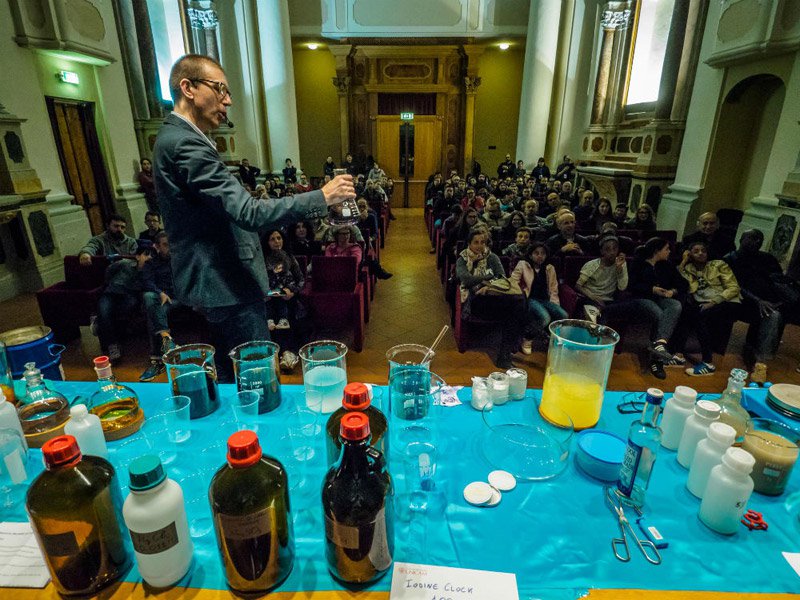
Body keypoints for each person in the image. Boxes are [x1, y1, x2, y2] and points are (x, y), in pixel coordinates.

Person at [152, 54, 353, 381]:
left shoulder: (182, 139)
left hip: (222, 279)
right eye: (220, 90)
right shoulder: (184, 143)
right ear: (188, 87)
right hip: (225, 282)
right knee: (255, 378)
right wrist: (322, 196)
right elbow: (246, 213)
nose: (228, 100)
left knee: (236, 377)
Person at [725, 229, 800, 379]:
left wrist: (781, 296)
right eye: (752, 238)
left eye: (759, 239)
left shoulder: (767, 259)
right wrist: (758, 300)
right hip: (742, 301)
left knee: (779, 312)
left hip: (769, 301)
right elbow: (734, 286)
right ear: (741, 239)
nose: (756, 242)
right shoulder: (731, 259)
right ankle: (761, 359)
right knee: (773, 315)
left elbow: (778, 280)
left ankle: (761, 358)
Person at [456, 228, 525, 368]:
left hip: (495, 297)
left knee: (517, 305)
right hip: (475, 301)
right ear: (469, 243)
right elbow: (466, 280)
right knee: (517, 308)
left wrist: (488, 286)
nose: (480, 245)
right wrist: (487, 278)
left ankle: (504, 355)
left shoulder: (492, 257)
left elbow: (501, 276)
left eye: (483, 242)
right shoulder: (462, 259)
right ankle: (524, 333)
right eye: (476, 242)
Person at [674, 240, 741, 376]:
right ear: (690, 254)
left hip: (725, 301)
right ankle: (678, 354)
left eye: (703, 251)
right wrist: (684, 260)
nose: (700, 254)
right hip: (703, 302)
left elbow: (734, 288)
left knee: (699, 317)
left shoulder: (718, 265)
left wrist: (714, 302)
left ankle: (708, 363)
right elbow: (678, 276)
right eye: (696, 251)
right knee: (686, 313)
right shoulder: (689, 268)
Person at [628, 237, 689, 378]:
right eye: (666, 249)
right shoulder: (639, 263)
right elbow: (631, 286)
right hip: (642, 298)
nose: (669, 252)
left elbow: (683, 284)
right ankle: (657, 359)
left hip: (660, 298)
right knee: (661, 314)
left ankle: (659, 343)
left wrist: (672, 291)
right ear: (657, 251)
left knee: (675, 305)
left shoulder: (666, 265)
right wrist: (652, 289)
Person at [139, 231, 182, 381]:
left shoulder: (178, 260)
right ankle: (166, 340)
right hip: (163, 301)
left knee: (151, 305)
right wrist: (160, 292)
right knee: (151, 300)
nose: (168, 248)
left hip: (180, 298)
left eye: (170, 244)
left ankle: (156, 361)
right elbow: (147, 282)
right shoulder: (151, 263)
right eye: (164, 245)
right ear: (156, 246)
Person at [511, 241, 566, 354]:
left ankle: (551, 339)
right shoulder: (523, 264)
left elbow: (553, 288)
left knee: (563, 315)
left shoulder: (550, 268)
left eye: (543, 253)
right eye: (536, 253)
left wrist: (555, 304)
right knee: (545, 317)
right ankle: (528, 338)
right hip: (530, 299)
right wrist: (520, 297)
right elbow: (513, 282)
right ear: (531, 255)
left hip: (545, 300)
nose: (540, 256)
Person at [265, 250, 299, 331]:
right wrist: (267, 291)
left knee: (281, 302)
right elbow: (266, 284)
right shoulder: (269, 274)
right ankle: (269, 320)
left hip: (281, 294)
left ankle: (283, 320)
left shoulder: (287, 273)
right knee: (268, 303)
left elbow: (292, 283)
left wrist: (289, 289)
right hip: (270, 294)